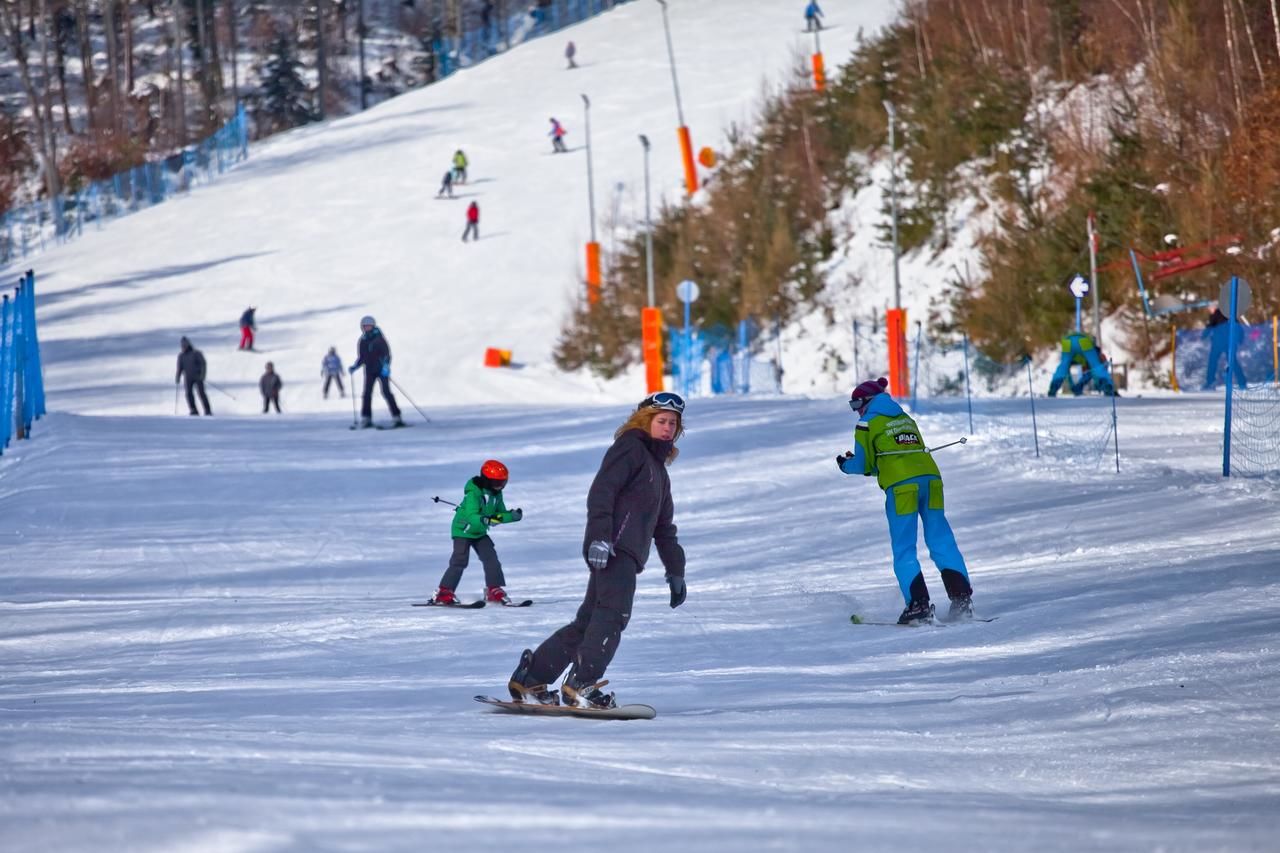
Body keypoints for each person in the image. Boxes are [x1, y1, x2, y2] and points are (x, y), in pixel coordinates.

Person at [508, 392, 688, 709]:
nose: (667, 428)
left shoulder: (658, 471)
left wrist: (676, 571)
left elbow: (664, 527)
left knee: (589, 621)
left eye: (673, 423)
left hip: (625, 554)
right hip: (613, 548)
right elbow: (602, 492)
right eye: (661, 421)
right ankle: (582, 684)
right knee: (612, 616)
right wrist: (599, 538)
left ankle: (531, 679)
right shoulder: (630, 447)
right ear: (645, 421)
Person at [837, 377, 973, 625]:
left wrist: (845, 465)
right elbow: (895, 458)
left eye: (856, 405)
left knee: (904, 548)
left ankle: (918, 605)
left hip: (902, 488)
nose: (856, 411)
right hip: (931, 481)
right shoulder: (905, 419)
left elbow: (863, 464)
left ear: (866, 401)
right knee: (941, 539)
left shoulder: (867, 424)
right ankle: (962, 599)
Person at [431, 460, 524, 606]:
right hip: (463, 530)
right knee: (459, 561)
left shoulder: (496, 494)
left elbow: (498, 514)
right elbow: (471, 516)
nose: (500, 486)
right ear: (486, 481)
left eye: (503, 482)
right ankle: (443, 592)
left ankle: (493, 589)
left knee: (491, 558)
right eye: (496, 482)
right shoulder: (473, 493)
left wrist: (511, 516)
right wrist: (486, 520)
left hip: (479, 532)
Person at [348, 315, 405, 429]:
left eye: (369, 326)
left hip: (380, 370)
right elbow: (362, 357)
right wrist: (355, 366)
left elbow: (386, 354)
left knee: (386, 392)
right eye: (365, 326)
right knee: (366, 394)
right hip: (369, 371)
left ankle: (397, 416)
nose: (367, 328)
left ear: (373, 326)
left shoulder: (379, 339)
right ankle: (366, 418)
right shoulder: (362, 341)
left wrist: (386, 367)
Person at [1047, 331, 1116, 396]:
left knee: (1063, 366)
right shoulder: (1095, 354)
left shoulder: (1079, 358)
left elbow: (1067, 373)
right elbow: (1092, 372)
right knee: (1096, 366)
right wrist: (1103, 384)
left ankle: (1053, 387)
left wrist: (1074, 387)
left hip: (1067, 341)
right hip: (1083, 341)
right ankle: (1108, 387)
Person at [1201, 305, 1248, 391]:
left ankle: (1210, 382)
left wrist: (1203, 336)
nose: (1209, 310)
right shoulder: (1230, 313)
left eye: (1210, 308)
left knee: (1213, 362)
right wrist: (1240, 340)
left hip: (1219, 342)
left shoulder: (1217, 314)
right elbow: (1239, 327)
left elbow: (1210, 326)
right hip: (1229, 342)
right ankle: (1242, 383)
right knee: (1232, 362)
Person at [175, 336, 212, 416]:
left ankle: (207, 410)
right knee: (188, 394)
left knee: (201, 393)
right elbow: (180, 368)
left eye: (185, 345)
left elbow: (203, 364)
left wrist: (203, 375)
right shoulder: (181, 356)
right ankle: (193, 410)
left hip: (198, 376)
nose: (183, 347)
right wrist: (178, 376)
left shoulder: (196, 353)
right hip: (188, 378)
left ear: (188, 345)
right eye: (182, 346)